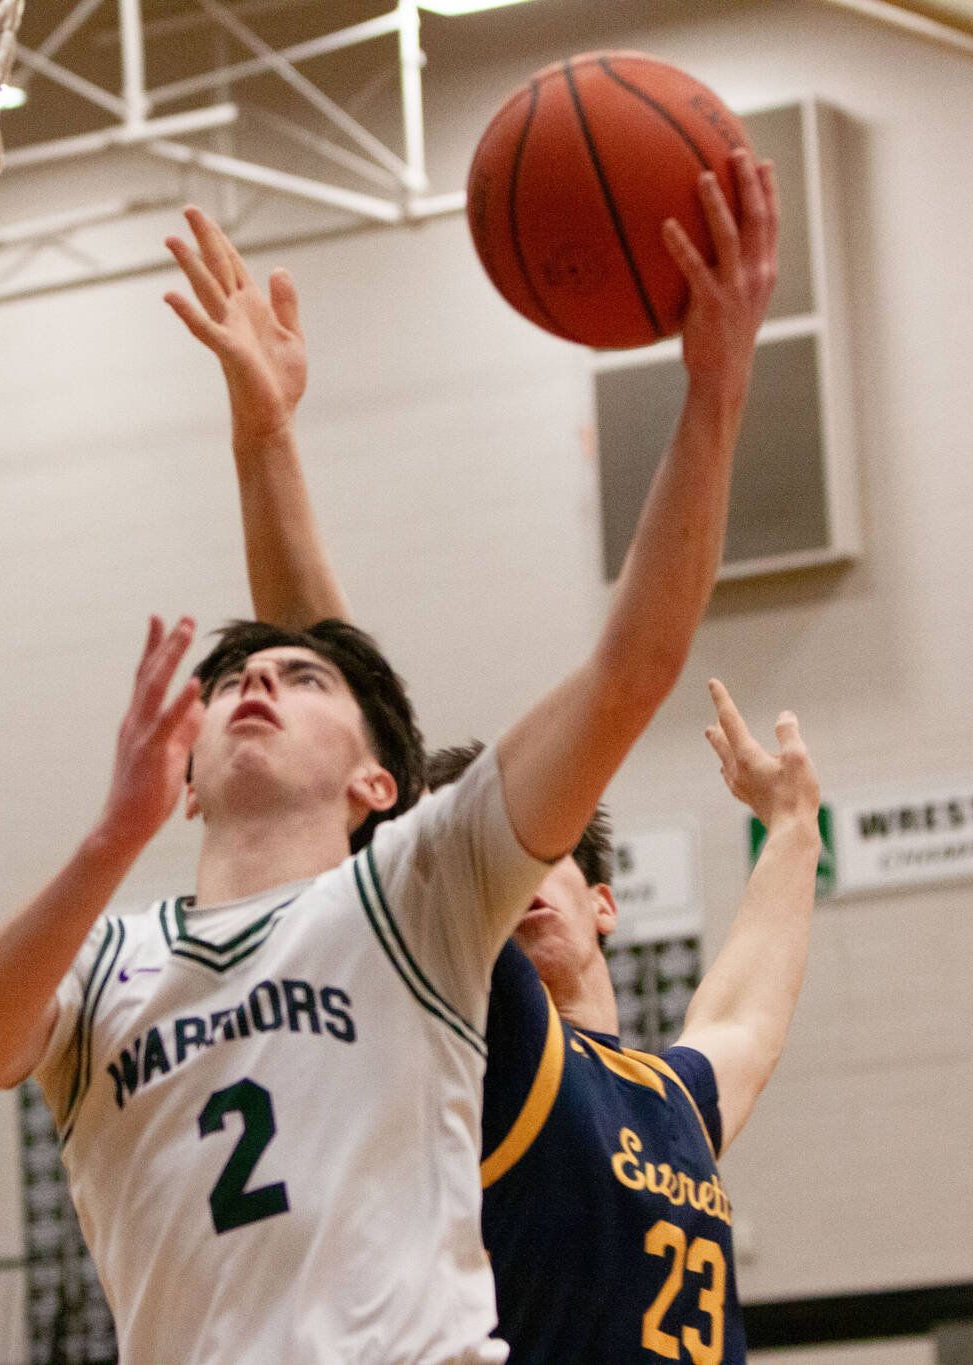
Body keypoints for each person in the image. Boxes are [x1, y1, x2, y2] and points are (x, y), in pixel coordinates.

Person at [0, 149, 776, 1365]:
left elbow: (628, 672)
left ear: (382, 785)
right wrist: (107, 839)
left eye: (300, 677)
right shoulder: (106, 959)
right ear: (185, 765)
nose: (256, 681)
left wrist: (713, 397)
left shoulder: (408, 898)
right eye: (231, 682)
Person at [161, 172, 817, 1364]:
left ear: (603, 903)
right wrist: (266, 440)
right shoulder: (470, 1019)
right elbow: (346, 701)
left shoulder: (669, 1098)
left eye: (544, 863)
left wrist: (793, 833)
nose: (512, 894)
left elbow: (746, 1007)